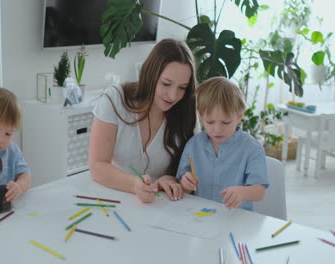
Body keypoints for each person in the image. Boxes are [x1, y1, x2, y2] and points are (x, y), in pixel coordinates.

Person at [89, 39, 197, 203]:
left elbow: (184, 173)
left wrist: (170, 180)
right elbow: (98, 165)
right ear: (150, 74)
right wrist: (134, 185)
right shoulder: (115, 99)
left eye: (182, 87)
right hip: (110, 199)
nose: (173, 96)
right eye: (166, 84)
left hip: (158, 206)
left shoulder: (186, 114)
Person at [177, 77, 268, 210]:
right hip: (200, 216)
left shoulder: (252, 148)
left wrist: (243, 192)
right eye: (210, 122)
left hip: (236, 218)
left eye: (226, 122)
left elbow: (259, 191)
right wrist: (185, 184)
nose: (217, 129)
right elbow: (182, 183)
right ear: (201, 117)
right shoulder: (193, 145)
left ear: (239, 116)